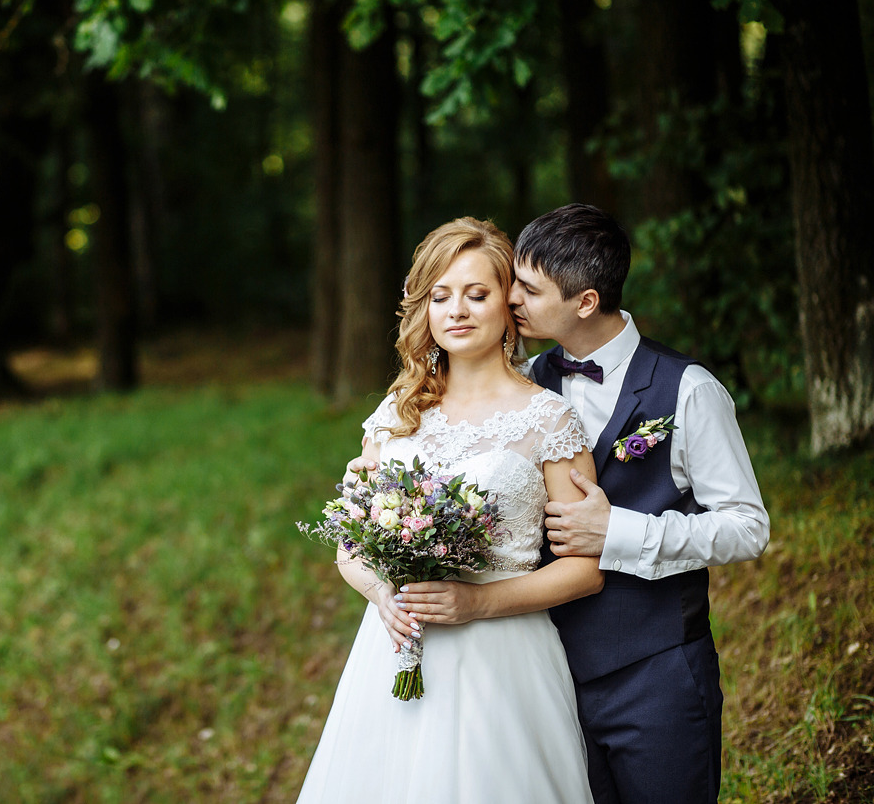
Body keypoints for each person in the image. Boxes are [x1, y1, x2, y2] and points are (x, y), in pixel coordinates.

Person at [296, 217, 603, 803]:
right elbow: (351, 546)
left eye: (476, 294)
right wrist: (381, 595)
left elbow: (586, 570)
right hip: (396, 652)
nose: (456, 310)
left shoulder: (550, 420)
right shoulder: (397, 413)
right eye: (440, 296)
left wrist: (478, 601)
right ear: (425, 310)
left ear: (508, 307)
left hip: (504, 660)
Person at [495, 203, 767, 803]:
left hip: (658, 672)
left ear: (585, 301)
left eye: (529, 288)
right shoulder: (523, 383)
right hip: (547, 670)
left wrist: (618, 530)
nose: (510, 297)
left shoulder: (689, 390)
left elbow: (747, 527)